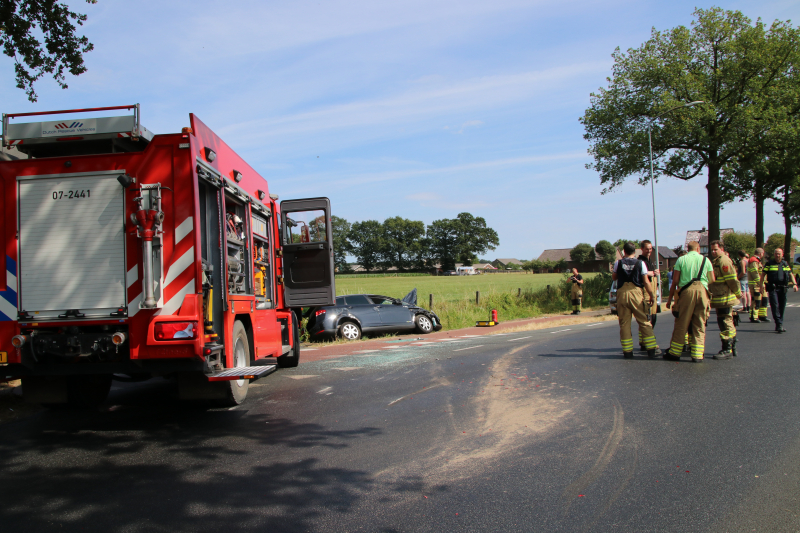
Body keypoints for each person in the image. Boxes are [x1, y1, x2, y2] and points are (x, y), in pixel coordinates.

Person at [665, 241, 714, 363]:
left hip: (686, 292)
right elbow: (712, 279)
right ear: (698, 248)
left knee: (682, 323)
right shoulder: (706, 260)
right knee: (700, 323)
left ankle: (675, 352)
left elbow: (675, 281)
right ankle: (697, 355)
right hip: (703, 292)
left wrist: (670, 299)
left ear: (688, 249)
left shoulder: (681, 260)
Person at [612, 242, 658, 358]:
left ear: (624, 251)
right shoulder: (640, 263)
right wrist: (652, 296)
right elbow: (646, 281)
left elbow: (614, 277)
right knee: (644, 321)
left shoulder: (618, 263)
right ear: (634, 251)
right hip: (636, 294)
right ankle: (651, 350)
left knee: (624, 323)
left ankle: (627, 352)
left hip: (622, 294)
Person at [708, 241, 742, 359]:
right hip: (720, 297)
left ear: (721, 249)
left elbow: (732, 279)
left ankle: (727, 349)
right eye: (712, 250)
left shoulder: (724, 261)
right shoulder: (717, 261)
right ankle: (731, 345)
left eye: (715, 249)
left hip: (725, 297)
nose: (713, 252)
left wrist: (738, 293)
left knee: (725, 322)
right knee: (724, 321)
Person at [760, 247, 798, 333]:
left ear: (782, 254)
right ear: (774, 254)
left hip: (783, 288)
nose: (777, 255)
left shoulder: (785, 264)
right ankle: (778, 323)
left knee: (782, 306)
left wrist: (795, 284)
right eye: (776, 253)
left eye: (779, 253)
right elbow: (763, 275)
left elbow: (790, 274)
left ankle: (780, 323)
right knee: (774, 305)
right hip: (773, 288)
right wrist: (761, 285)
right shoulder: (769, 263)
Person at [638, 240, 661, 352]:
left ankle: (644, 341)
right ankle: (646, 343)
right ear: (642, 249)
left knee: (653, 318)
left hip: (652, 292)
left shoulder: (649, 260)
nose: (649, 251)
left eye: (651, 249)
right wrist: (649, 273)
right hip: (646, 293)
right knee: (648, 319)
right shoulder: (640, 261)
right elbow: (639, 274)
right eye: (647, 249)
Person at [748, 248, 769, 323]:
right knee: (756, 301)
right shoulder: (753, 261)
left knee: (764, 300)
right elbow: (755, 273)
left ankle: (762, 316)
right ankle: (753, 317)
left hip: (761, 284)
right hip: (756, 285)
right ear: (761, 253)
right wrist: (760, 283)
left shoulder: (757, 261)